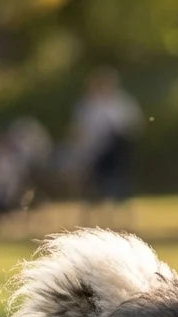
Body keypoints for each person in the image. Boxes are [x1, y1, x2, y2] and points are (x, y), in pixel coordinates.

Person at [71, 68, 142, 228]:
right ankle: (90, 224)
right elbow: (79, 130)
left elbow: (132, 127)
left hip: (116, 155)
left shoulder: (122, 103)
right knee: (93, 190)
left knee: (118, 188)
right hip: (93, 154)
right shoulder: (88, 105)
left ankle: (121, 222)